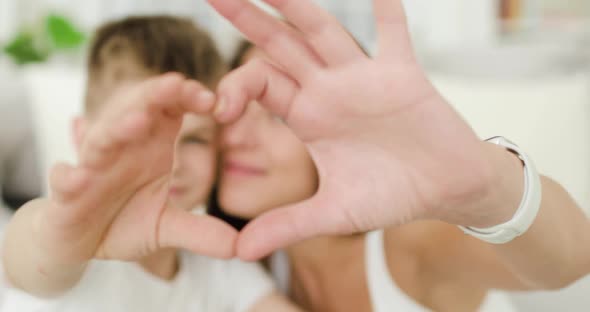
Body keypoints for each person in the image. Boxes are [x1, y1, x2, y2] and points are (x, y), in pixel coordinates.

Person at [202, 0, 590, 310]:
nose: (238, 137)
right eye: (236, 109)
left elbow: (574, 259)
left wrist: (489, 187)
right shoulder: (250, 263)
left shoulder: (408, 247)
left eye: (276, 116)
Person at [2, 16, 299, 312]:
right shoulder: (75, 240)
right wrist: (61, 240)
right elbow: (32, 256)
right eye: (142, 138)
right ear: (83, 136)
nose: (171, 165)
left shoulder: (222, 269)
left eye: (195, 140)